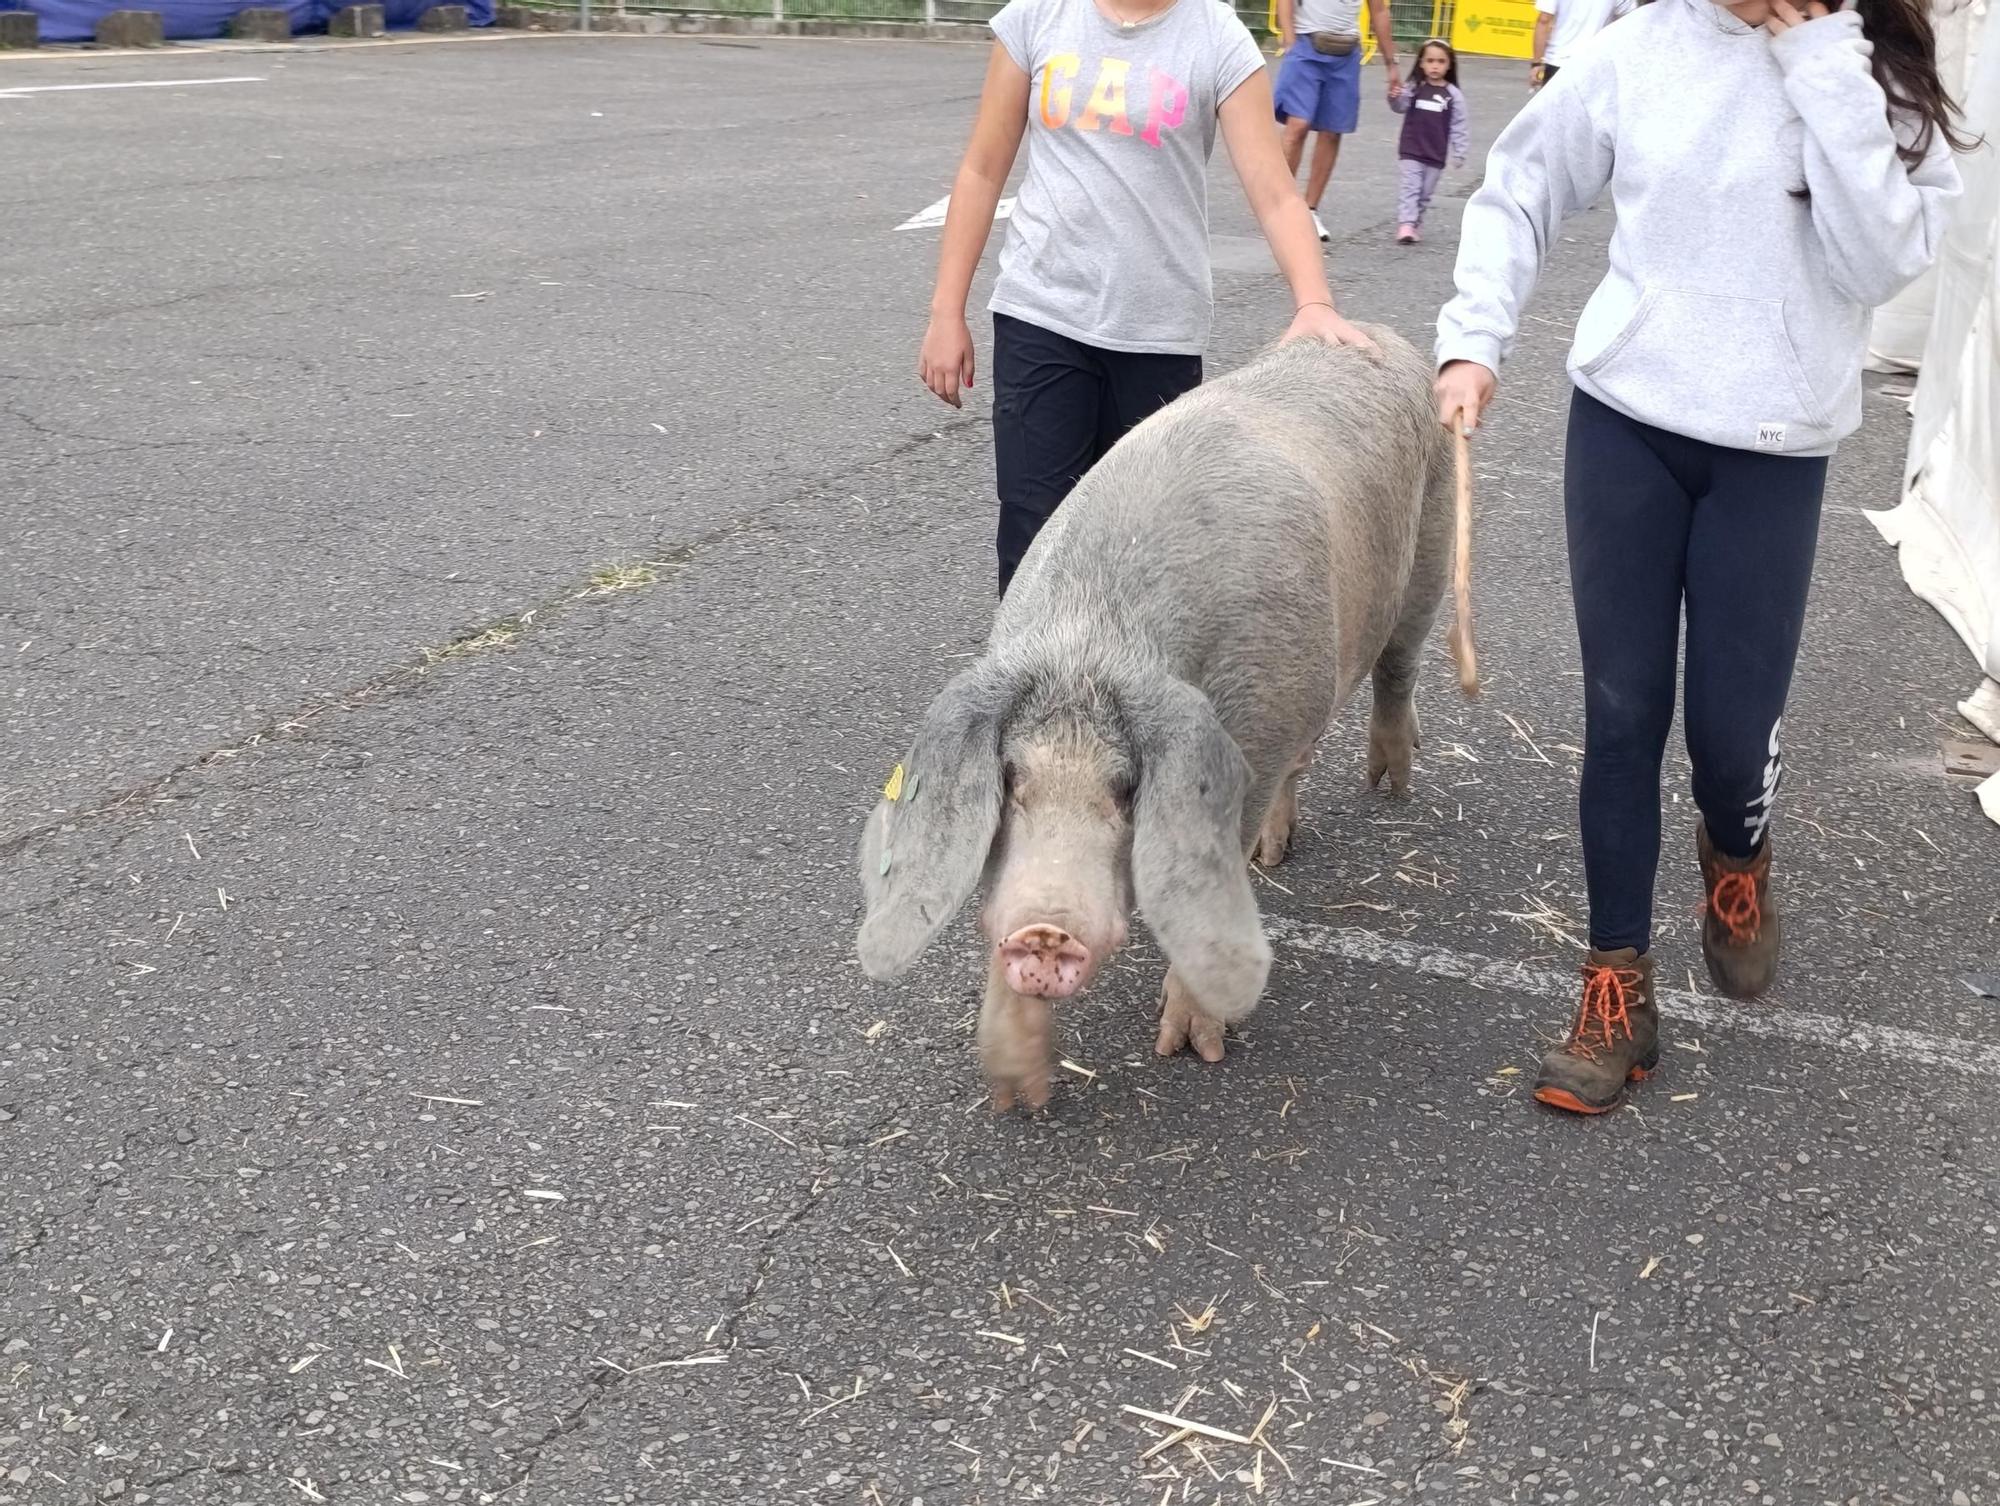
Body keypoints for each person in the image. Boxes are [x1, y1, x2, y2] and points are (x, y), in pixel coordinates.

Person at [1433, 0, 1965, 1114]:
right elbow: (1520, 185)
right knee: (1620, 714)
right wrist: (1473, 339)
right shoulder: (1637, 46)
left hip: (1771, 451)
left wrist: (1815, 62)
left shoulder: (1869, 66)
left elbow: (1878, 265)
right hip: (1623, 423)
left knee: (1730, 737)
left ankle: (1736, 854)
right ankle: (1614, 993)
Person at [919, 0, 1379, 596]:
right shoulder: (1039, 16)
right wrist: (945, 311)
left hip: (1158, 334)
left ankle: (1126, 693)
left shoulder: (1216, 36)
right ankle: (1034, 690)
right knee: (1034, 542)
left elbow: (1274, 192)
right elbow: (983, 169)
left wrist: (1313, 301)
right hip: (1042, 313)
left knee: (1143, 553)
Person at [1273, 0, 1403, 240]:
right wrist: (1290, 39)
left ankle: (1310, 209)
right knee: (1298, 124)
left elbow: (1379, 10)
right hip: (1306, 43)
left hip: (1345, 51)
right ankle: (1281, 207)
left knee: (1332, 131)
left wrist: (1391, 65)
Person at [1388, 39, 1468, 243]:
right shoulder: (1414, 87)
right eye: (1430, 60)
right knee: (1411, 187)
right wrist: (1394, 97)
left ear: (1449, 65)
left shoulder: (1453, 95)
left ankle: (1415, 223)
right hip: (1411, 149)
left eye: (1441, 61)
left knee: (1424, 194)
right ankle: (1406, 224)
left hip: (1435, 153)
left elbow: (1459, 125)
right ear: (1421, 63)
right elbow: (1400, 107)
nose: (1435, 66)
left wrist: (1459, 151)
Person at [1530, 0, 1631, 89]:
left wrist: (1537, 63)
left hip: (1558, 61)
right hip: (1596, 63)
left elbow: (1544, 20)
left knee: (1554, 109)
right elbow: (1628, 20)